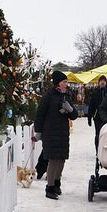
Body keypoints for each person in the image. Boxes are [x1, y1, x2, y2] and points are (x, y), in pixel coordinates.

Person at [34, 70, 79, 200]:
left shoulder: (68, 95)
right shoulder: (49, 95)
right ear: (58, 82)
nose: (66, 84)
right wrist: (39, 131)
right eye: (64, 81)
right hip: (50, 132)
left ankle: (57, 183)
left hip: (63, 132)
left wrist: (70, 109)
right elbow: (40, 114)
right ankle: (50, 187)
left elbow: (74, 116)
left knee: (61, 159)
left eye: (67, 81)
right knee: (53, 159)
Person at [87, 75, 107, 148]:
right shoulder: (95, 92)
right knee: (98, 134)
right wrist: (89, 117)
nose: (102, 82)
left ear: (106, 82)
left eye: (104, 81)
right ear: (99, 82)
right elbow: (91, 105)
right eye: (101, 81)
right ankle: (97, 149)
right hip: (97, 117)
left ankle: (106, 148)